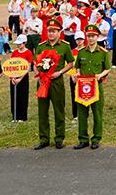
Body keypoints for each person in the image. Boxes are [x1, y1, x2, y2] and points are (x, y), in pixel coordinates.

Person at [33, 18, 74, 150]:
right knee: (42, 111)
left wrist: (60, 72)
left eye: (54, 31)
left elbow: (71, 63)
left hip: (56, 81)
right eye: (49, 31)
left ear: (59, 32)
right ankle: (44, 138)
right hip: (42, 82)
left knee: (59, 110)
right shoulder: (41, 46)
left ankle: (59, 138)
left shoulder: (64, 46)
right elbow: (34, 64)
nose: (51, 34)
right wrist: (39, 74)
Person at [73, 25, 112, 149]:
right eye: (89, 36)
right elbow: (77, 66)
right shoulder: (81, 52)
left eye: (93, 36)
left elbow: (108, 68)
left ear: (97, 37)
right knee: (82, 114)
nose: (90, 39)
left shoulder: (103, 53)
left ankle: (96, 138)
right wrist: (77, 74)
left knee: (97, 113)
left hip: (96, 86)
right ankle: (83, 139)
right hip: (82, 86)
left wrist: (101, 75)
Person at [9, 35, 32, 123]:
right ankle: (15, 115)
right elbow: (11, 65)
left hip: (23, 77)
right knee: (14, 96)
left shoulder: (28, 52)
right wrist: (12, 78)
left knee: (23, 96)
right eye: (17, 44)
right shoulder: (14, 52)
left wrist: (20, 78)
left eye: (20, 44)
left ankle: (22, 116)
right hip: (13, 76)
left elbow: (28, 67)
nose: (18, 45)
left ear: (24, 43)